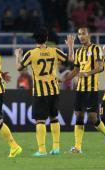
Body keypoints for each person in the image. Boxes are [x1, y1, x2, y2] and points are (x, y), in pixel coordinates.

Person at [15, 28, 74, 157]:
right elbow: (70, 60)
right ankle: (56, 148)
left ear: (35, 40)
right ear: (46, 38)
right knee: (54, 118)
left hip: (40, 92)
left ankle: (42, 150)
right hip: (54, 90)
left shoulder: (31, 53)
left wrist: (17, 55)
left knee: (40, 121)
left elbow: (19, 68)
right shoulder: (54, 51)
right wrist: (70, 46)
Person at [63, 27, 105, 153]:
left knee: (93, 117)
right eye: (79, 34)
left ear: (88, 35)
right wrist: (63, 80)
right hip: (80, 89)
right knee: (78, 115)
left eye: (83, 34)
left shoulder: (96, 49)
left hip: (91, 88)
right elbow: (75, 70)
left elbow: (101, 68)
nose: (81, 36)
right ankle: (78, 147)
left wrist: (87, 73)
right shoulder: (78, 52)